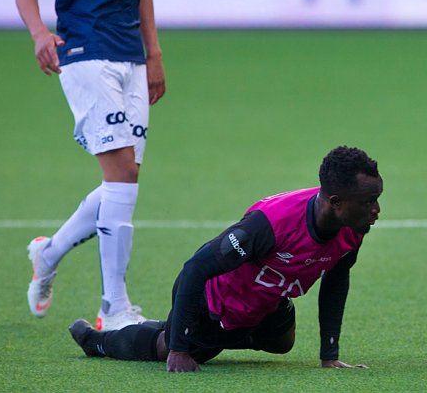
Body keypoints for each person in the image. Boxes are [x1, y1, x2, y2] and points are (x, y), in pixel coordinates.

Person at [14, 0, 164, 331]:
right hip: (82, 53)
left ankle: (49, 253)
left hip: (130, 58)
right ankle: (114, 308)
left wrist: (154, 53)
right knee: (122, 174)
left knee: (124, 180)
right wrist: (38, 34)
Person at [67, 146, 383, 372]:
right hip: (214, 305)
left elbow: (337, 279)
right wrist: (178, 349)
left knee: (282, 343)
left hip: (265, 304)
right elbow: (194, 269)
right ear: (336, 202)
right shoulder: (268, 224)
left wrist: (330, 355)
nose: (376, 210)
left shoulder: (352, 225)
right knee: (167, 346)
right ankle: (97, 342)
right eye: (369, 201)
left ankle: (200, 333)